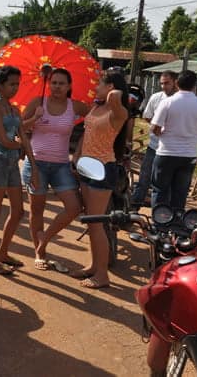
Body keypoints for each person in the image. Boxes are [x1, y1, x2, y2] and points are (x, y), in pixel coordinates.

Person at [21, 68, 91, 272]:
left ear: (69, 86)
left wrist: (79, 149)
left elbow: (94, 120)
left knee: (74, 206)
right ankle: (39, 253)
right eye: (54, 82)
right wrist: (35, 118)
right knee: (37, 210)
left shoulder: (75, 106)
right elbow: (19, 127)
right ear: (48, 84)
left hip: (61, 164)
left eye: (61, 83)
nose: (57, 87)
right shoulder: (37, 102)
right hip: (36, 164)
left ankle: (44, 239)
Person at [72, 70, 130, 289]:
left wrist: (113, 89)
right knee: (91, 222)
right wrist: (77, 156)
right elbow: (87, 133)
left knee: (96, 224)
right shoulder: (97, 106)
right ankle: (94, 266)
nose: (96, 87)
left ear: (110, 87)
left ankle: (102, 275)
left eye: (100, 83)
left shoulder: (119, 111)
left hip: (103, 168)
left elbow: (116, 96)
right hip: (88, 166)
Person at [0, 66, 38, 276]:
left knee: (18, 211)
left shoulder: (14, 110)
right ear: (0, 85)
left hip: (13, 164)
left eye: (17, 84)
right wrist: (21, 145)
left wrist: (33, 165)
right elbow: (5, 140)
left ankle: (3, 252)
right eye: (11, 84)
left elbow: (23, 136)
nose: (15, 88)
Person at [150, 70, 197, 210]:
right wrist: (192, 134)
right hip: (188, 155)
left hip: (166, 153)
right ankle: (177, 223)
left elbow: (155, 128)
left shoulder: (167, 102)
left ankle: (160, 223)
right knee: (180, 192)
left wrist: (164, 134)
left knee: (160, 190)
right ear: (195, 85)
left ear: (176, 83)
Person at [130, 71, 177, 207]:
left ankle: (164, 208)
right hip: (154, 145)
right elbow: (147, 115)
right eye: (161, 83)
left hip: (172, 149)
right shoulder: (156, 97)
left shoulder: (180, 100)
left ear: (175, 82)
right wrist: (158, 125)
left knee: (166, 180)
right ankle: (137, 201)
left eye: (167, 83)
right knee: (145, 175)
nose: (163, 86)